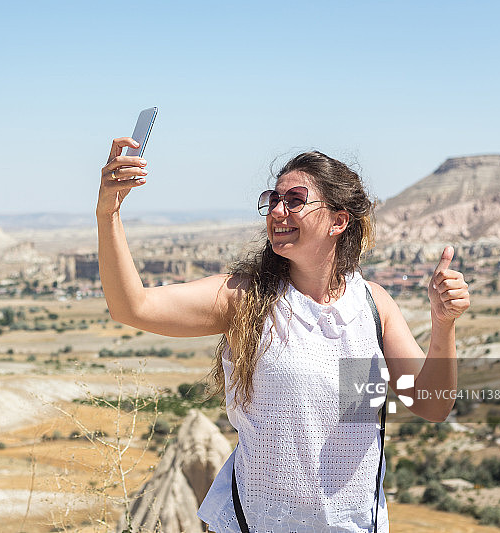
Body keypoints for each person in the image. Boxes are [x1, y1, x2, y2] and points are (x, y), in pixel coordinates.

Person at [97, 137, 470, 533]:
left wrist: (443, 324)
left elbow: (432, 406)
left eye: (294, 200)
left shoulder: (373, 306)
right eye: (274, 199)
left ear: (338, 221)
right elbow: (132, 306)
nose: (277, 210)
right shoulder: (244, 299)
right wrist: (109, 213)